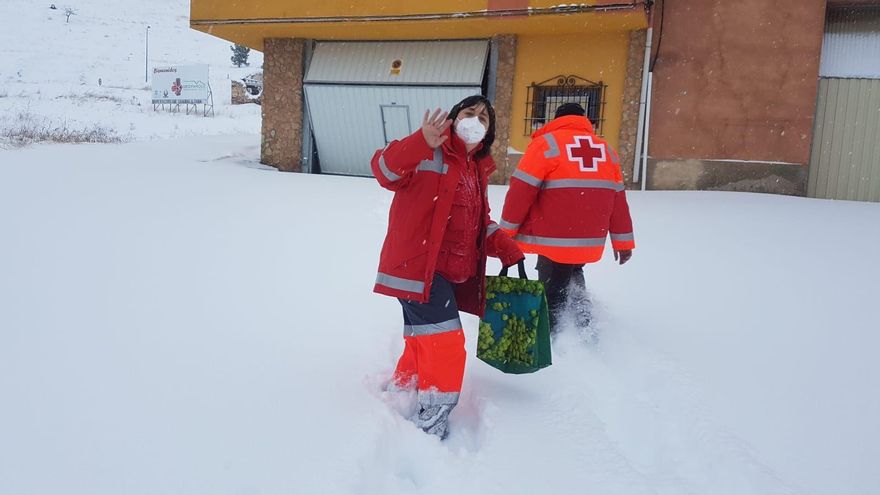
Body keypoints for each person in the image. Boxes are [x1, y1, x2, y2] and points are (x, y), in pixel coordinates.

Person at [371, 95, 523, 439]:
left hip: (446, 271)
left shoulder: (475, 168)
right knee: (446, 341)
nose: (475, 121)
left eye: (483, 118)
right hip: (417, 267)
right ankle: (432, 418)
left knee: (423, 336)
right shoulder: (428, 150)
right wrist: (420, 141)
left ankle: (405, 384)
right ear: (454, 118)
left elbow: (478, 222)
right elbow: (383, 170)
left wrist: (506, 247)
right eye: (470, 113)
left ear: (488, 132)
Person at [499, 102, 635, 334]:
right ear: (585, 120)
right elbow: (618, 198)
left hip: (552, 236)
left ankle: (553, 335)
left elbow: (521, 190)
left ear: (556, 119)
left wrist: (506, 232)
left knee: (552, 283)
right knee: (572, 269)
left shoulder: (546, 144)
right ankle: (583, 323)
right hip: (588, 236)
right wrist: (623, 243)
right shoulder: (606, 150)